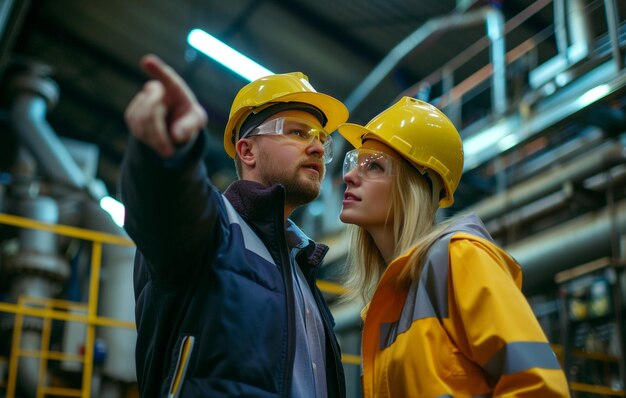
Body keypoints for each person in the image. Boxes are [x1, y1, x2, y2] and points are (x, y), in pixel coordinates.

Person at [121, 54, 349, 398]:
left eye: (320, 138)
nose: (317, 146)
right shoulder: (214, 229)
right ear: (247, 151)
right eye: (298, 132)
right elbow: (167, 205)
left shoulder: (302, 271)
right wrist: (168, 155)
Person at [337, 96, 570, 397]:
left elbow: (539, 387)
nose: (349, 176)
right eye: (354, 162)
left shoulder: (459, 257)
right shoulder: (385, 305)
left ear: (414, 187)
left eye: (375, 167)